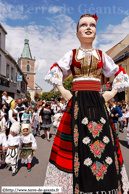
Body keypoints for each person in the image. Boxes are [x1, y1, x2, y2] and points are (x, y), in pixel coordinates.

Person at [44, 13, 129, 193]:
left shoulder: (102, 55)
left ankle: (102, 185)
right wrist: (63, 90)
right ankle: (78, 184)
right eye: (84, 25)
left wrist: (111, 93)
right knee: (77, 143)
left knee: (102, 142)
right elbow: (55, 69)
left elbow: (119, 71)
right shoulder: (72, 54)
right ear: (77, 33)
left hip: (97, 103)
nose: (89, 27)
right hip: (77, 103)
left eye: (92, 25)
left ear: (96, 31)